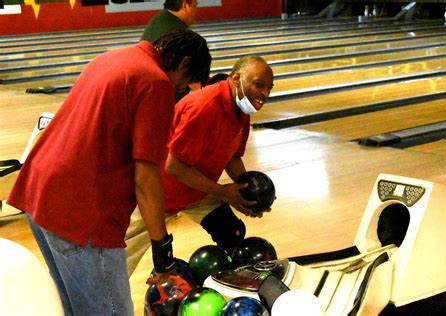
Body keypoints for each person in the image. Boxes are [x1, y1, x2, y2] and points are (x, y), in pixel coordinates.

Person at [7, 29, 211, 316]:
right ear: (183, 62)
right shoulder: (155, 81)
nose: (178, 91)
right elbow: (147, 175)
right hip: (80, 212)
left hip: (39, 192)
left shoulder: (112, 58)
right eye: (183, 83)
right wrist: (162, 248)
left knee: (76, 309)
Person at [129, 56, 274, 285]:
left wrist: (246, 192)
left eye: (268, 87)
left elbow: (233, 156)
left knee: (232, 232)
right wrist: (223, 191)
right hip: (158, 191)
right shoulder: (204, 107)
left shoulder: (241, 111)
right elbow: (174, 167)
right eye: (259, 84)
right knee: (118, 256)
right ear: (236, 79)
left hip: (196, 189)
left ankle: (232, 286)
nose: (264, 93)